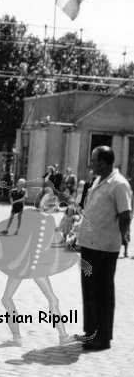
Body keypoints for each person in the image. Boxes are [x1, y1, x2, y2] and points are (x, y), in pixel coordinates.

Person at [75, 146, 132, 351]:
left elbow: (125, 214)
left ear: (104, 163)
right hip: (89, 244)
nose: (91, 164)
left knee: (102, 292)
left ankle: (103, 337)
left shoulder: (119, 184)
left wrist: (121, 238)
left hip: (105, 248)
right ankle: (90, 331)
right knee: (88, 290)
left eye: (94, 160)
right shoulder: (98, 181)